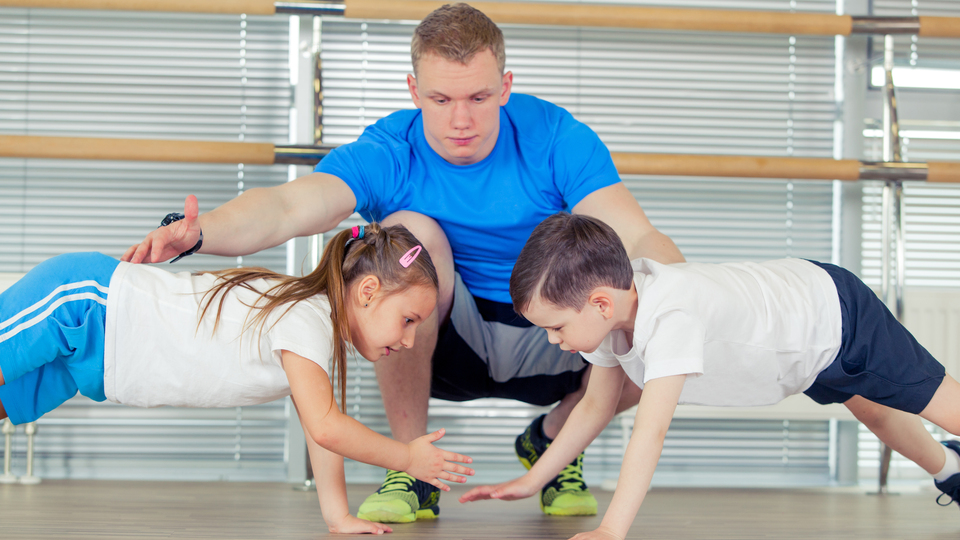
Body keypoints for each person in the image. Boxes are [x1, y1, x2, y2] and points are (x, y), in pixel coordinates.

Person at [121, 3, 684, 522]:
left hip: (552, 333)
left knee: (652, 305)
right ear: (414, 90)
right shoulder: (390, 149)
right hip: (443, 338)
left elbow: (633, 233)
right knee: (410, 236)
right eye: (441, 100)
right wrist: (201, 232)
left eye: (479, 98)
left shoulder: (557, 137)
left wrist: (692, 298)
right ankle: (412, 472)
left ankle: (554, 439)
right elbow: (290, 204)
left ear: (506, 87)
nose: (460, 119)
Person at [460, 212, 960, 540]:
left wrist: (612, 530)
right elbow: (594, 406)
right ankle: (949, 470)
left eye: (556, 327)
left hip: (835, 317)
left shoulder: (671, 316)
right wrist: (533, 480)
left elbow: (650, 432)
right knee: (872, 410)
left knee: (942, 405)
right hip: (801, 343)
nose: (553, 340)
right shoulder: (614, 314)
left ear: (599, 303)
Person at [0, 217, 475, 535]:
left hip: (94, 358)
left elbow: (319, 431)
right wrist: (406, 457)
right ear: (368, 291)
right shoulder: (305, 316)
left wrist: (338, 516)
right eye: (409, 319)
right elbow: (328, 426)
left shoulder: (314, 333)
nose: (410, 341)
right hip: (87, 305)